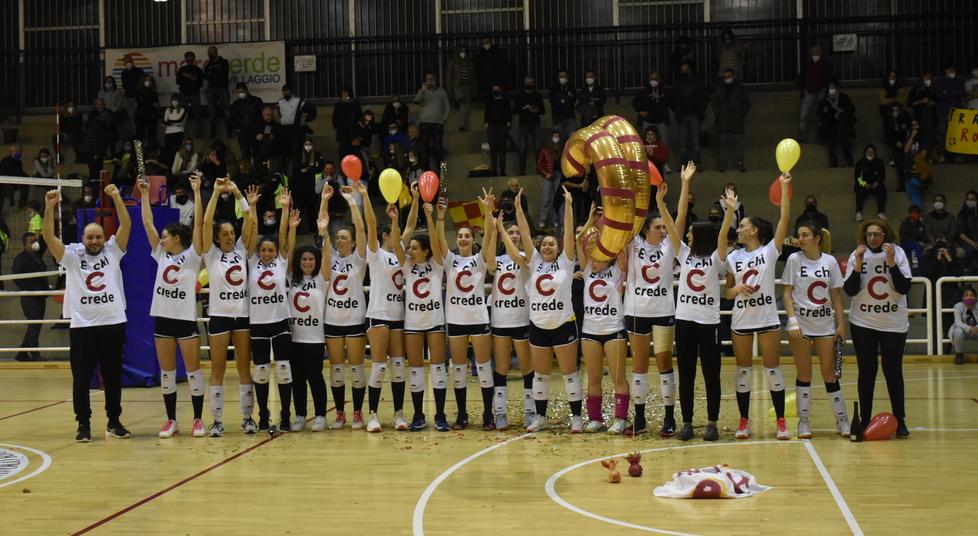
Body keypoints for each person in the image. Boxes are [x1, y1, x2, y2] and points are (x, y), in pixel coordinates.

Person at [43, 185, 131, 441]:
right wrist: (49, 208)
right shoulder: (72, 256)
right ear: (83, 238)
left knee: (113, 376)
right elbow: (49, 237)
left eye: (98, 237)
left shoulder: (113, 251)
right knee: (81, 378)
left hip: (113, 323)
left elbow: (126, 226)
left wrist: (116, 198)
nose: (94, 241)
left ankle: (114, 421)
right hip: (83, 326)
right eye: (90, 237)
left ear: (105, 239)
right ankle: (83, 424)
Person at [497, 186, 580, 433]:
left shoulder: (566, 262)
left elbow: (568, 234)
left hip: (563, 324)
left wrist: (568, 207)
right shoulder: (533, 263)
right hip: (539, 326)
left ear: (558, 248)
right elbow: (524, 232)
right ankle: (540, 417)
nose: (547, 247)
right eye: (543, 244)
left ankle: (576, 417)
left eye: (551, 244)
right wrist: (520, 209)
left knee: (569, 373)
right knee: (541, 375)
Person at [624, 163, 694, 436]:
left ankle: (669, 418)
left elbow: (682, 216)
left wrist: (684, 183)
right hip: (636, 311)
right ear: (646, 229)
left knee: (665, 364)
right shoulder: (633, 243)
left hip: (664, 311)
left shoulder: (669, 246)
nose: (664, 231)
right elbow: (626, 217)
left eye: (665, 228)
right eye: (658, 227)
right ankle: (639, 419)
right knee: (640, 365)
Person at [724, 173, 792, 440]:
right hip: (741, 319)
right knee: (743, 370)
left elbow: (784, 219)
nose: (738, 230)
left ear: (754, 230)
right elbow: (727, 293)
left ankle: (781, 422)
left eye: (742, 226)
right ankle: (744, 421)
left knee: (772, 369)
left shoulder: (769, 250)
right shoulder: (734, 256)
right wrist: (736, 289)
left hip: (766, 317)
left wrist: (785, 189)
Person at [139, 173, 205, 438]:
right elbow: (146, 222)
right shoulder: (160, 254)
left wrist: (198, 192)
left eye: (166, 236)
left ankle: (198, 420)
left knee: (193, 371)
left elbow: (199, 224)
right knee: (167, 373)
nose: (162, 239)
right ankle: (171, 421)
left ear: (177, 238)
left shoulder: (191, 257)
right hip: (163, 319)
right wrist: (145, 195)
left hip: (185, 319)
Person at [672, 181, 736, 441]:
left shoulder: (716, 259)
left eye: (690, 233)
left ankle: (712, 422)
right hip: (684, 321)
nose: (687, 235)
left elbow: (722, 237)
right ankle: (686, 422)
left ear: (700, 235)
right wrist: (685, 184)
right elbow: (675, 219)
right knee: (686, 374)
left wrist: (730, 211)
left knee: (712, 374)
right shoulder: (684, 254)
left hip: (708, 323)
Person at [844, 220, 911, 438]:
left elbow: (904, 287)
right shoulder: (858, 254)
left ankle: (900, 420)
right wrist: (857, 264)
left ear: (885, 235)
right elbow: (851, 290)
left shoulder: (897, 253)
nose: (873, 238)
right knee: (867, 371)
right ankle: (864, 419)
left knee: (893, 371)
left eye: (877, 234)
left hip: (893, 323)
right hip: (863, 322)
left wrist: (891, 263)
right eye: (869, 234)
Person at [782, 222, 850, 438]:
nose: (800, 239)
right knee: (804, 373)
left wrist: (841, 324)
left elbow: (837, 297)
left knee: (829, 374)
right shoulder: (794, 260)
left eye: (805, 235)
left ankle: (842, 420)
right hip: (800, 326)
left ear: (817, 238)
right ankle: (803, 422)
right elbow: (787, 293)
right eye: (798, 235)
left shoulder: (829, 261)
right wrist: (792, 320)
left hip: (825, 326)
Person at [435, 191, 496, 430]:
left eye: (466, 236)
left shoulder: (480, 260)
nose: (462, 239)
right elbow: (439, 241)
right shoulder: (449, 260)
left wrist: (488, 212)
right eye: (459, 236)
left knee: (483, 367)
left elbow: (489, 236)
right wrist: (441, 218)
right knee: (458, 369)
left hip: (478, 318)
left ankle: (487, 414)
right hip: (457, 320)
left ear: (472, 240)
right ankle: (461, 414)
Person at [200, 177, 257, 436]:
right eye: (224, 234)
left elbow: (249, 218)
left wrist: (236, 192)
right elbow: (204, 222)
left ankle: (248, 418)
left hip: (242, 316)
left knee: (245, 367)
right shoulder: (210, 253)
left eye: (232, 233)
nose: (230, 237)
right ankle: (217, 420)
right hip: (220, 317)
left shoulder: (242, 249)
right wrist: (214, 192)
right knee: (218, 369)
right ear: (216, 238)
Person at [246, 188, 298, 432]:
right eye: (264, 250)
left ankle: (286, 414)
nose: (267, 253)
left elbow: (283, 234)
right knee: (262, 370)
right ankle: (264, 414)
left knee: (284, 368)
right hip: (258, 322)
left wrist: (285, 209)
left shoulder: (281, 261)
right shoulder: (251, 261)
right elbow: (253, 232)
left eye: (271, 250)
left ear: (276, 251)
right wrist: (252, 206)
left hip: (279, 321)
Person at [364, 187, 415, 433]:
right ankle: (372, 413)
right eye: (392, 234)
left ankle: (398, 412)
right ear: (386, 236)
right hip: (378, 313)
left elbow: (411, 225)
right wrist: (365, 196)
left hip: (398, 315)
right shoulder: (376, 255)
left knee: (398, 366)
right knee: (379, 365)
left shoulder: (401, 255)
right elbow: (370, 225)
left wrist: (415, 200)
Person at [576, 205, 630, 434]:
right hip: (590, 331)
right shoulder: (587, 269)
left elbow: (623, 246)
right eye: (592, 255)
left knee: (618, 377)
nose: (593, 259)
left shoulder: (618, 271)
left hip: (614, 329)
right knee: (594, 377)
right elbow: (580, 241)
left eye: (598, 255)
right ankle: (595, 418)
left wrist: (613, 221)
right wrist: (590, 220)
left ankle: (620, 418)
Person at [322, 185, 369, 430]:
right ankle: (340, 412)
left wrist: (353, 201)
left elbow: (361, 228)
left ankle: (358, 412)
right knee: (337, 368)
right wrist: (324, 200)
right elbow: (323, 226)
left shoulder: (359, 260)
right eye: (337, 237)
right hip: (332, 320)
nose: (340, 239)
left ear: (352, 242)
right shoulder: (329, 256)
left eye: (344, 237)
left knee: (357, 367)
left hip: (354, 319)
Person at [398, 200, 446, 431]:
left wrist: (430, 216)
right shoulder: (406, 266)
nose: (410, 251)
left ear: (426, 251)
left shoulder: (437, 264)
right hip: (413, 323)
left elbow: (436, 242)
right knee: (415, 369)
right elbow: (399, 245)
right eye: (410, 248)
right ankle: (418, 414)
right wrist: (395, 221)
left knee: (438, 368)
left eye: (415, 248)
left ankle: (440, 415)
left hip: (435, 322)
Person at [286, 189, 330, 432]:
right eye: (303, 260)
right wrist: (292, 227)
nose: (307, 262)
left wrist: (323, 229)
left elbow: (326, 254)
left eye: (311, 260)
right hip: (294, 339)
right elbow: (290, 251)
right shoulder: (292, 278)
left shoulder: (322, 280)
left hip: (314, 339)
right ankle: (301, 415)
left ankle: (321, 415)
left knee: (315, 377)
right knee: (297, 380)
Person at [488, 217, 535, 428]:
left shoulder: (527, 256)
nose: (515, 235)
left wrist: (502, 231)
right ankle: (500, 412)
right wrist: (494, 230)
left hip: (522, 319)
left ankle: (530, 412)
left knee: (527, 368)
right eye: (511, 232)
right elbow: (488, 262)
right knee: (501, 368)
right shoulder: (498, 260)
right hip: (500, 319)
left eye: (517, 232)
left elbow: (516, 257)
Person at [13, 232, 47, 362]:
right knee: (34, 325)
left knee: (35, 326)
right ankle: (35, 355)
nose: (35, 243)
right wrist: (31, 289)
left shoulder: (37, 256)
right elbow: (17, 278)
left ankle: (21, 353)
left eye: (36, 240)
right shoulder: (20, 259)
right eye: (31, 241)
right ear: (25, 244)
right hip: (30, 297)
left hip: (40, 296)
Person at [710, 68, 751, 172]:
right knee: (723, 143)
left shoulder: (740, 88)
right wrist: (719, 114)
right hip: (724, 120)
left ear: (733, 76)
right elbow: (714, 102)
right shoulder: (720, 88)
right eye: (725, 76)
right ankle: (723, 164)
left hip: (737, 120)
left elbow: (747, 102)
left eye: (729, 76)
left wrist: (741, 113)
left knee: (739, 143)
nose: (727, 78)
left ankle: (740, 163)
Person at [671, 61, 708, 167]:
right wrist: (676, 111)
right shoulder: (678, 84)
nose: (684, 72)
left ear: (690, 70)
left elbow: (704, 97)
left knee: (695, 141)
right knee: (683, 142)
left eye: (686, 70)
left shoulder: (697, 82)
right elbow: (673, 99)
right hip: (682, 115)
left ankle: (697, 164)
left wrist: (701, 110)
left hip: (694, 115)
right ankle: (683, 165)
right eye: (682, 71)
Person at [414, 73, 451, 170]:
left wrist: (444, 119)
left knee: (439, 149)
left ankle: (443, 179)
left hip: (437, 123)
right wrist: (422, 90)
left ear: (436, 79)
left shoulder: (442, 92)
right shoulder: (423, 91)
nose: (430, 81)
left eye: (432, 78)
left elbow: (447, 107)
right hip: (424, 123)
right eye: (428, 79)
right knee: (424, 149)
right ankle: (426, 174)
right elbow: (416, 101)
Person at [796, 46, 832, 142]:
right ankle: (802, 137)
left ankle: (820, 137)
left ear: (820, 55)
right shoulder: (810, 65)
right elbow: (802, 78)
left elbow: (829, 78)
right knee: (805, 115)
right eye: (813, 55)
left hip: (819, 92)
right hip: (811, 91)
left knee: (819, 116)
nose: (815, 57)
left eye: (817, 55)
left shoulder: (823, 66)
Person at [818, 81, 856, 168]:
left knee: (844, 141)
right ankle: (834, 163)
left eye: (833, 88)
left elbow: (852, 108)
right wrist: (824, 111)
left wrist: (841, 110)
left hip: (842, 125)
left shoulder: (843, 98)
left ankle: (850, 163)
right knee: (831, 142)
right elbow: (819, 112)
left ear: (837, 89)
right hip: (830, 125)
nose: (832, 90)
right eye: (830, 88)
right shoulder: (825, 100)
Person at [632, 71, 671, 149]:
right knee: (648, 146)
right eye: (651, 79)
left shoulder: (664, 91)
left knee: (663, 146)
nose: (653, 81)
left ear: (660, 80)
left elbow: (670, 103)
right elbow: (634, 102)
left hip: (661, 122)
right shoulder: (645, 91)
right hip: (648, 122)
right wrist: (640, 111)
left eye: (656, 79)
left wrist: (660, 97)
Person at [514, 77, 545, 175]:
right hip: (523, 123)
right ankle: (522, 172)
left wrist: (536, 110)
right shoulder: (520, 95)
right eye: (527, 82)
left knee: (538, 149)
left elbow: (543, 111)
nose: (528, 84)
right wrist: (524, 108)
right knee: (522, 148)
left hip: (535, 123)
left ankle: (540, 170)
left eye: (530, 82)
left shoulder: (537, 95)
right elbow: (514, 110)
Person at [935, 65, 966, 163]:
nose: (951, 72)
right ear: (945, 71)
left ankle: (956, 156)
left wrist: (947, 93)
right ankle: (942, 155)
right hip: (943, 111)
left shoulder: (959, 81)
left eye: (953, 70)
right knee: (942, 133)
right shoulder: (940, 81)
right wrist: (953, 94)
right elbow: (939, 96)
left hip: (956, 112)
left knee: (956, 134)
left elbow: (962, 93)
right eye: (950, 70)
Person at [229, 84, 264, 164]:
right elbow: (232, 119)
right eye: (239, 92)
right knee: (245, 156)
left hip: (256, 132)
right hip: (243, 133)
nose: (241, 93)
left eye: (242, 91)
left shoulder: (257, 101)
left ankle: (258, 174)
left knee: (257, 155)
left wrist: (261, 131)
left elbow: (263, 117)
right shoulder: (236, 103)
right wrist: (237, 130)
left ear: (246, 90)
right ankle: (247, 175)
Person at [536, 129, 562, 231]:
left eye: (558, 136)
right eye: (554, 136)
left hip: (558, 175)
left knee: (556, 199)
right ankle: (542, 222)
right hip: (548, 175)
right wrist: (545, 173)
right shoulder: (545, 149)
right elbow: (539, 163)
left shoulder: (560, 148)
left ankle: (556, 221)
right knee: (546, 199)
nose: (556, 138)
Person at [854, 145, 886, 222]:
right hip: (864, 184)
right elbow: (857, 177)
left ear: (875, 152)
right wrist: (864, 184)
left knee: (882, 190)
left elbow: (882, 175)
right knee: (859, 192)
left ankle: (881, 212)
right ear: (865, 152)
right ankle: (858, 213)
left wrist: (877, 182)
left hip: (875, 184)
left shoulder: (879, 162)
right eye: (868, 152)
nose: (870, 153)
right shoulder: (860, 162)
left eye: (872, 152)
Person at [484, 83, 511, 176]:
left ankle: (503, 171)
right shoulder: (490, 101)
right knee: (493, 150)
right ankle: (494, 170)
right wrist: (486, 123)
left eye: (497, 89)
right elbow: (486, 112)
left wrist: (508, 123)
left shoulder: (505, 101)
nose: (496, 91)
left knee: (502, 150)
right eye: (494, 89)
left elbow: (509, 113)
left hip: (502, 127)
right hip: (492, 127)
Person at [204, 46, 231, 139]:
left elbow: (223, 74)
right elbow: (206, 77)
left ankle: (230, 135)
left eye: (211, 52)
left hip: (223, 89)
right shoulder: (208, 63)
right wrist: (205, 68)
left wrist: (212, 73)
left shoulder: (223, 61)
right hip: (211, 89)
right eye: (208, 53)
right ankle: (212, 136)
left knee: (227, 112)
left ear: (216, 52)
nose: (210, 54)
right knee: (212, 114)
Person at [446, 46, 475, 131]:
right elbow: (449, 76)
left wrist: (474, 90)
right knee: (460, 97)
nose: (463, 53)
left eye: (465, 51)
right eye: (461, 51)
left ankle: (462, 125)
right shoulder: (453, 62)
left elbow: (473, 77)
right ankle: (456, 101)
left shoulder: (470, 63)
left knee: (465, 107)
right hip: (457, 86)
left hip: (467, 86)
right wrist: (449, 90)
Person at [908, 73, 938, 152]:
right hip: (919, 116)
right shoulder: (915, 90)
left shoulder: (933, 90)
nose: (928, 80)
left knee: (930, 136)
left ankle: (927, 155)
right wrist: (921, 101)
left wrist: (933, 103)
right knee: (918, 135)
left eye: (929, 78)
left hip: (931, 116)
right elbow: (910, 103)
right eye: (926, 78)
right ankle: (916, 154)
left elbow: (938, 101)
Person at [176, 51, 204, 134]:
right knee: (181, 114)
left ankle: (198, 135)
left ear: (194, 59)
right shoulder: (182, 69)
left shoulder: (198, 70)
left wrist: (192, 79)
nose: (190, 61)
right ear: (185, 60)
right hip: (184, 94)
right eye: (188, 60)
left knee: (197, 115)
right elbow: (177, 81)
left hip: (195, 94)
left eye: (191, 60)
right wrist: (187, 78)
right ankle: (181, 134)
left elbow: (200, 83)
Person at [950, 287, 978, 364]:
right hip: (964, 331)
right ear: (962, 297)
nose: (969, 297)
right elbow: (957, 321)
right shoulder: (958, 306)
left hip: (976, 331)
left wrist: (977, 327)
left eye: (971, 295)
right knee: (958, 330)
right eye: (966, 295)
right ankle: (959, 355)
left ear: (976, 297)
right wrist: (969, 328)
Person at [475, 35, 508, 101]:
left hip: (497, 83)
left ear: (491, 41)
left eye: (487, 42)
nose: (485, 44)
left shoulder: (498, 53)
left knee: (498, 101)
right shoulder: (480, 54)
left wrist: (501, 83)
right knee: (488, 102)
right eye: (484, 43)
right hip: (485, 85)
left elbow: (504, 68)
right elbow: (478, 70)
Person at [550, 69, 578, 142]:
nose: (563, 78)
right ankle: (557, 152)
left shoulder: (571, 88)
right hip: (557, 118)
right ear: (558, 77)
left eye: (564, 76)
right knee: (556, 139)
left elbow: (573, 100)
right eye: (561, 76)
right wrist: (565, 100)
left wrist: (563, 101)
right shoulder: (554, 88)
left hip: (570, 116)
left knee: (571, 138)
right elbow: (553, 101)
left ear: (568, 77)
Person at [120, 54, 146, 130]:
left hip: (137, 97)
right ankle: (134, 134)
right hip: (128, 97)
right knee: (131, 117)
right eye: (126, 62)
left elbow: (142, 83)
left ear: (133, 62)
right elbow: (124, 85)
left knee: (139, 116)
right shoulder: (123, 73)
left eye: (130, 61)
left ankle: (140, 134)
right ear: (124, 64)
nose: (128, 63)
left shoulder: (139, 71)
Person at [162, 94, 188, 166]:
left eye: (176, 100)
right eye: (173, 100)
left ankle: (176, 168)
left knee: (177, 153)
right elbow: (164, 123)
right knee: (168, 153)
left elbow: (180, 122)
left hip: (178, 133)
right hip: (168, 134)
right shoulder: (167, 110)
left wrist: (169, 122)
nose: (174, 102)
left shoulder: (183, 110)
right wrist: (174, 122)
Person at [0, 144, 27, 208]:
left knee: (26, 185)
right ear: (10, 152)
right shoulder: (5, 161)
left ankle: (22, 205)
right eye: (16, 151)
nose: (18, 153)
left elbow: (20, 173)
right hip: (5, 183)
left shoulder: (19, 162)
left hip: (15, 183)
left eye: (19, 151)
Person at [957, 190, 978, 270]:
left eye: (973, 199)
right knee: (969, 250)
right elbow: (960, 232)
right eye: (968, 199)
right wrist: (973, 243)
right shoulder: (962, 214)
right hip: (966, 242)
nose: (970, 201)